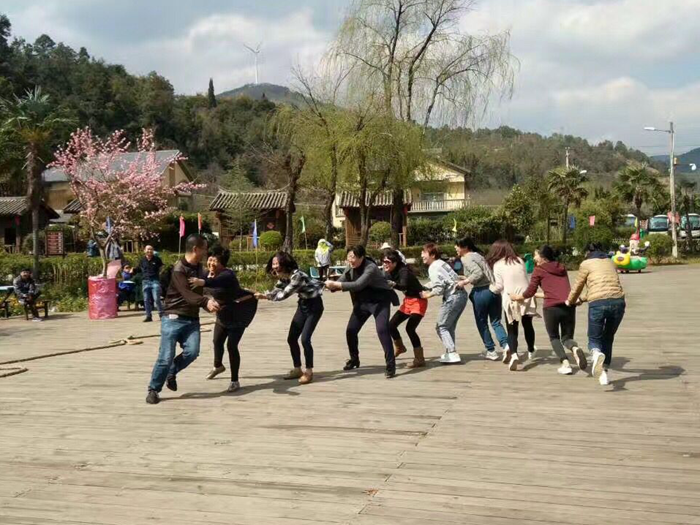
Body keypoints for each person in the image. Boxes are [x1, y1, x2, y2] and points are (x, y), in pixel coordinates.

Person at [146, 234, 219, 405]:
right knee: (165, 357)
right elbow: (187, 295)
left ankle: (171, 371)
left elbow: (206, 289)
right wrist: (206, 302)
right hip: (173, 318)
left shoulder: (200, 269)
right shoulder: (179, 269)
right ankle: (154, 389)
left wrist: (212, 298)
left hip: (192, 319)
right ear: (195, 249)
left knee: (192, 352)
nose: (206, 252)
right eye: (204, 249)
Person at [510, 245, 587, 376]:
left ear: (543, 257)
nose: (534, 258)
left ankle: (566, 364)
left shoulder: (539, 270)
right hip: (568, 305)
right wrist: (538, 295)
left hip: (551, 308)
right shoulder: (561, 267)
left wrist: (517, 297)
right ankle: (575, 348)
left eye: (535, 255)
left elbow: (529, 292)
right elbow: (558, 290)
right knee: (567, 338)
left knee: (554, 337)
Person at [189, 247, 256, 393]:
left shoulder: (227, 274)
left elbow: (214, 282)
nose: (211, 263)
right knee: (217, 341)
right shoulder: (207, 274)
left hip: (239, 312)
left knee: (232, 346)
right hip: (223, 312)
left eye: (215, 260)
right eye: (210, 259)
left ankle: (234, 380)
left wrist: (202, 282)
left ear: (222, 263)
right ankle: (218, 366)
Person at [325, 245, 397, 378]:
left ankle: (390, 365)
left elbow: (358, 284)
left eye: (353, 257)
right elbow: (342, 280)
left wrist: (337, 285)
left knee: (382, 330)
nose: (350, 260)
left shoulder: (371, 267)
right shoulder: (350, 266)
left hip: (379, 302)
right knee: (351, 330)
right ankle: (354, 359)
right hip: (363, 303)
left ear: (362, 257)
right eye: (349, 257)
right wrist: (331, 286)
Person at [256, 251, 324, 385]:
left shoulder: (297, 276)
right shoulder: (285, 276)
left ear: (284, 263)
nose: (274, 266)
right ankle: (297, 369)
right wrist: (265, 294)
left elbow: (284, 294)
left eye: (276, 263)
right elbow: (277, 290)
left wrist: (266, 297)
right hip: (303, 305)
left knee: (305, 339)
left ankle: (309, 371)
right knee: (292, 338)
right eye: (273, 264)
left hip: (314, 306)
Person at [567, 242, 626, 386]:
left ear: (587, 252)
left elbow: (578, 286)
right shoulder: (610, 262)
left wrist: (570, 301)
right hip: (618, 302)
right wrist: (582, 299)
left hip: (598, 304)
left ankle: (596, 353)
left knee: (594, 338)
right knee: (608, 337)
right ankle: (603, 372)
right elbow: (604, 288)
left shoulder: (586, 264)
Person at [486, 240, 537, 371]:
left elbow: (499, 287)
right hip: (525, 297)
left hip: (510, 299)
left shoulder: (498, 265)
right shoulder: (520, 261)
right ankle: (531, 349)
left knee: (512, 329)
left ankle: (514, 354)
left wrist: (490, 288)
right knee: (528, 325)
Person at [455, 238, 509, 360]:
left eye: (457, 245)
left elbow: (478, 273)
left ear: (465, 247)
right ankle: (506, 345)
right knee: (496, 322)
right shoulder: (477, 255)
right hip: (494, 291)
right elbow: (481, 273)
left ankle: (491, 350)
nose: (455, 248)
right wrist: (465, 277)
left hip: (481, 292)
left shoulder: (466, 257)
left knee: (482, 322)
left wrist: (464, 282)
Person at [420, 243, 468, 364]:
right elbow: (440, 281)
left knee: (441, 326)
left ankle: (452, 352)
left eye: (424, 253)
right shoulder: (441, 263)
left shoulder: (433, 267)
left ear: (432, 255)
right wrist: (423, 287)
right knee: (449, 326)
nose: (422, 255)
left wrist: (426, 295)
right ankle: (449, 352)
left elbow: (439, 288)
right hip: (461, 296)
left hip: (453, 297)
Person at [383, 249, 427, 368]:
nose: (385, 264)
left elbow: (403, 285)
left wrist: (392, 284)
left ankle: (419, 359)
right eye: (384, 261)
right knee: (391, 325)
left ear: (395, 262)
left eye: (388, 262)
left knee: (410, 328)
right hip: (408, 301)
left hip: (418, 300)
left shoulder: (404, 271)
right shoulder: (388, 272)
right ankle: (400, 347)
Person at [139, 245, 164, 322]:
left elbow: (162, 267)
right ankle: (148, 316)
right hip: (145, 281)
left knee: (156, 298)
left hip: (154, 280)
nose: (149, 251)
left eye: (151, 249)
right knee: (146, 299)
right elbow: (140, 268)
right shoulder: (142, 260)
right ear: (144, 250)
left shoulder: (157, 259)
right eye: (148, 249)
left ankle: (161, 315)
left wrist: (159, 274)